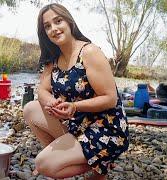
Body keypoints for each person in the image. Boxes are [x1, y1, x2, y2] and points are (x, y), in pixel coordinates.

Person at [23, 3, 129, 180]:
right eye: (47, 26)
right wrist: (51, 101)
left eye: (58, 21)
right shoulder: (53, 59)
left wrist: (74, 106)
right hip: (77, 125)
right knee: (31, 109)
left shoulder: (89, 52)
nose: (54, 29)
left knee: (43, 164)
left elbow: (110, 99)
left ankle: (99, 167)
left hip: (106, 129)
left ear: (69, 22)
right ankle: (71, 157)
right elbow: (41, 89)